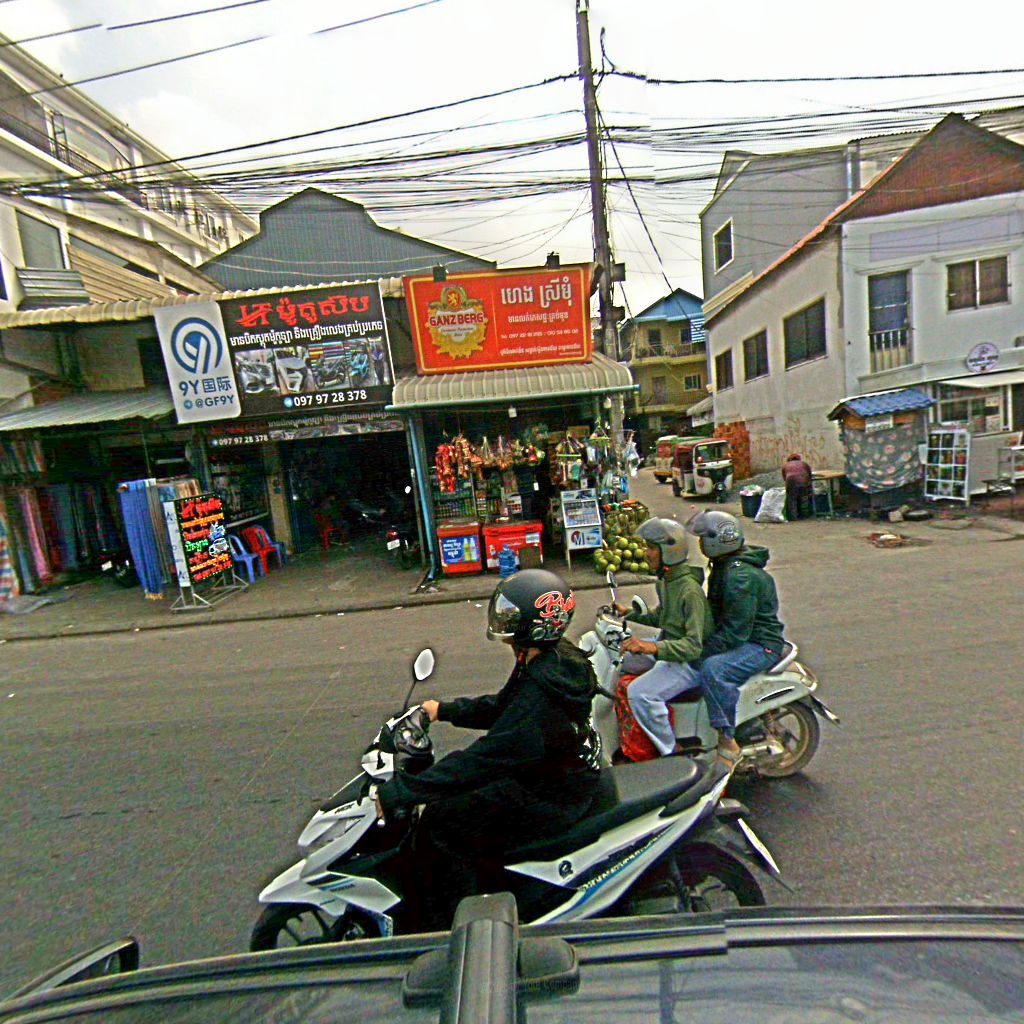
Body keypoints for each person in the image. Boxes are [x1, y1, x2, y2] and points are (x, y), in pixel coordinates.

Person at [375, 569, 602, 930]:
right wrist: (442, 710)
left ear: (537, 624)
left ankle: (465, 923)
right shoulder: (546, 659)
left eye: (511, 614)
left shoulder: (541, 688)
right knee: (458, 800)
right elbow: (501, 707)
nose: (502, 619)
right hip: (558, 773)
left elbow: (486, 757)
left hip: (552, 793)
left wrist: (404, 790)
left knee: (441, 822)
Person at [684, 510, 786, 770]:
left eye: (703, 538)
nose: (700, 543)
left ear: (717, 541)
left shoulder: (739, 576)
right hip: (747, 639)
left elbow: (735, 633)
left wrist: (701, 651)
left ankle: (727, 740)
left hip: (761, 645)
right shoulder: (725, 566)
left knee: (713, 669)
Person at [611, 517, 711, 758]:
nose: (646, 554)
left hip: (689, 663)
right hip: (670, 648)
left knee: (640, 693)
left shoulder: (690, 591)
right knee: (623, 663)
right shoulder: (667, 581)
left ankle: (670, 750)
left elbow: (694, 646)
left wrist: (651, 648)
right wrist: (629, 614)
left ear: (669, 551)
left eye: (652, 548)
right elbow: (662, 618)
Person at [782, 453, 813, 520]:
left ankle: (793, 517)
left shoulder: (786, 465)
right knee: (803, 498)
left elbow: (784, 477)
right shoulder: (804, 464)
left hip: (791, 482)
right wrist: (808, 485)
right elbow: (810, 474)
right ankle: (804, 515)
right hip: (803, 481)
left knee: (792, 499)